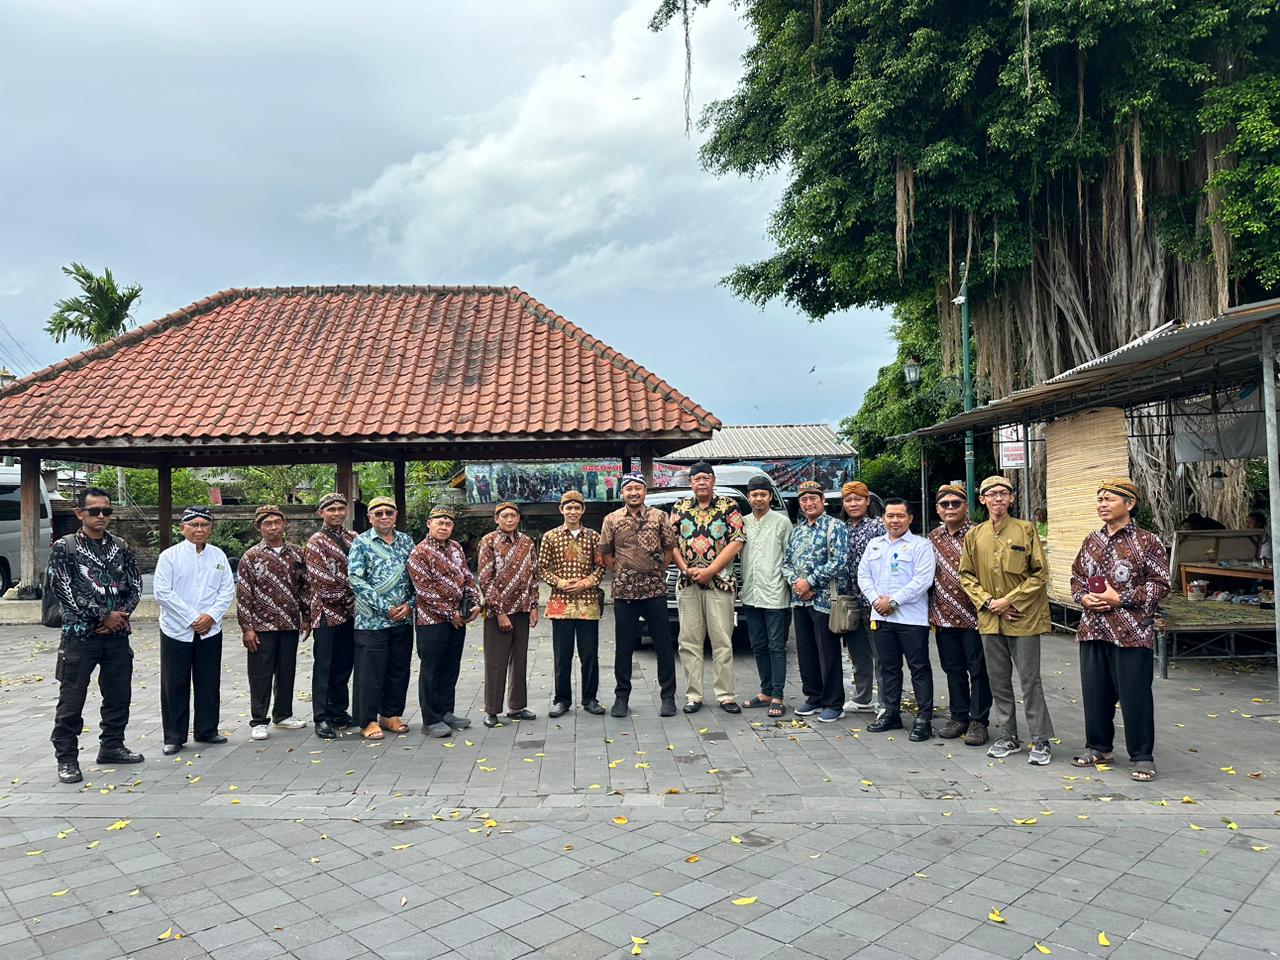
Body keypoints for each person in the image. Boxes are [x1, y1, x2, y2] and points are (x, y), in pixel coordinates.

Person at [1070, 479, 1170, 782]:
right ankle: (1099, 747)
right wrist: (1083, 597)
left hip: (1132, 632)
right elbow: (1076, 577)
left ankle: (1142, 756)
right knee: (1095, 693)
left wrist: (1121, 598)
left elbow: (1161, 584)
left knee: (1135, 695)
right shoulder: (1091, 540)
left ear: (1129, 504)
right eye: (1099, 499)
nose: (1102, 504)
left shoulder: (1147, 541)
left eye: (1109, 499)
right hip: (1094, 628)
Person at [48, 487, 144, 784]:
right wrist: (103, 615)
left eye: (106, 511)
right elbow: (63, 591)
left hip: (116, 636)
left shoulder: (120, 546)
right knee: (71, 699)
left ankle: (112, 745)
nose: (101, 516)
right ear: (80, 513)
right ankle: (67, 759)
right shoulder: (65, 548)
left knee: (118, 694)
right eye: (94, 511)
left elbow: (136, 585)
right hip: (80, 637)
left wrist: (120, 616)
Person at [959, 476, 1055, 764]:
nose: (998, 498)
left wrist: (1010, 601)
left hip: (1023, 618)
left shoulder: (1026, 530)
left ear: (1011, 498)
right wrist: (989, 602)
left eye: (1003, 493)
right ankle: (1008, 736)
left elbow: (1040, 574)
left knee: (1030, 680)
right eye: (991, 494)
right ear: (983, 500)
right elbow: (966, 575)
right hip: (990, 619)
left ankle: (1040, 740)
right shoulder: (974, 536)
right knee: (998, 680)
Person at [154, 506, 236, 756]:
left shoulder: (218, 556)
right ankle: (174, 736)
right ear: (183, 528)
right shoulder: (169, 556)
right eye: (194, 524)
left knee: (209, 680)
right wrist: (192, 618)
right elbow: (162, 592)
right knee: (174, 683)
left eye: (204, 525)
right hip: (176, 629)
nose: (200, 529)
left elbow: (227, 589)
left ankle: (207, 729)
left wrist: (210, 616)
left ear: (210, 529)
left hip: (210, 629)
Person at [598, 472, 679, 718]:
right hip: (625, 592)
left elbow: (669, 548)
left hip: (654, 590)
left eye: (638, 488)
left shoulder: (659, 517)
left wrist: (656, 571)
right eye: (628, 488)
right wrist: (624, 572)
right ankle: (621, 697)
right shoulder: (611, 519)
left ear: (645, 491)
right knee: (624, 647)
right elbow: (606, 553)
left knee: (664, 645)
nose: (634, 492)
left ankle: (668, 697)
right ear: (622, 493)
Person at [857, 499, 937, 740]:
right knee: (888, 667)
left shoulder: (921, 546)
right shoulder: (874, 545)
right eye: (890, 516)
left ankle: (924, 718)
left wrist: (892, 601)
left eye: (900, 516)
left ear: (910, 518)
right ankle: (891, 713)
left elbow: (923, 580)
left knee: (919, 668)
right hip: (880, 618)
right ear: (883, 518)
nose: (895, 520)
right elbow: (863, 575)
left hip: (911, 619)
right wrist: (875, 600)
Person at [671, 461, 746, 714]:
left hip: (720, 583)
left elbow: (737, 541)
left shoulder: (729, 506)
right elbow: (670, 543)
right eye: (696, 478)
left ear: (713, 480)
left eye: (706, 478)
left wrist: (710, 570)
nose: (701, 482)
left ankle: (725, 695)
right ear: (690, 482)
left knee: (722, 640)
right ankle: (694, 695)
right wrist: (685, 568)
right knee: (689, 641)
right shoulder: (680, 507)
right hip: (687, 582)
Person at [236, 505, 311, 741]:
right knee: (260, 672)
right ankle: (259, 719)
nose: (273, 527)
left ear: (284, 524)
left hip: (289, 623)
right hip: (262, 625)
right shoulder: (251, 556)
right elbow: (244, 594)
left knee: (286, 670)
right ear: (259, 527)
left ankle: (283, 714)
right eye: (267, 523)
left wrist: (306, 616)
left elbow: (305, 587)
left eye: (277, 522)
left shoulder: (297, 554)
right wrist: (247, 627)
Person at [409, 504, 482, 738]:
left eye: (448, 523)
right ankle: (430, 720)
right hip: (432, 620)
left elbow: (467, 577)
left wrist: (474, 602)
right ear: (429, 524)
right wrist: (451, 613)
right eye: (439, 522)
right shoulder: (420, 552)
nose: (444, 526)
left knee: (451, 666)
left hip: (457, 618)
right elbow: (424, 590)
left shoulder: (456, 548)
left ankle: (446, 711)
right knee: (432, 668)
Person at [347, 496, 415, 740]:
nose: (384, 517)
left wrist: (410, 604)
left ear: (396, 515)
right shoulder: (362, 543)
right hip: (371, 621)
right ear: (370, 518)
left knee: (398, 669)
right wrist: (385, 607)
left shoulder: (406, 541)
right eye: (379, 513)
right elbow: (356, 579)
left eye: (389, 512)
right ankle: (366, 720)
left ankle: (390, 714)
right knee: (369, 672)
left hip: (403, 619)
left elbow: (417, 576)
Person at [928, 484, 990, 746]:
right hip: (943, 616)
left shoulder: (979, 534)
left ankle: (978, 721)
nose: (950, 508)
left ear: (967, 506)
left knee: (978, 670)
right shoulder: (932, 538)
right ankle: (958, 717)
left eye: (956, 503)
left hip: (975, 616)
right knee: (952, 669)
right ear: (938, 510)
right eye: (945, 504)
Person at [783, 480, 850, 723]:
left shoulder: (835, 527)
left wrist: (809, 581)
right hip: (800, 600)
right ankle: (813, 696)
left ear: (822, 501)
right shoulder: (798, 530)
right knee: (806, 650)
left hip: (825, 600)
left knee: (828, 652)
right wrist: (797, 584)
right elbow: (786, 563)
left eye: (813, 499)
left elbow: (839, 561)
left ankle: (834, 703)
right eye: (804, 499)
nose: (809, 503)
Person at [539, 490, 607, 717]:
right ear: (561, 510)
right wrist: (560, 582)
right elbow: (541, 568)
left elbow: (601, 567)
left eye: (577, 507)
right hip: (561, 602)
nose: (572, 511)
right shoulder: (550, 536)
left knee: (589, 654)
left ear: (583, 510)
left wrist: (586, 582)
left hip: (587, 602)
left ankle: (590, 698)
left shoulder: (594, 537)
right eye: (568, 507)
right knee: (562, 654)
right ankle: (562, 699)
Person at [477, 501, 540, 727]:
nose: (510, 519)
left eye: (513, 515)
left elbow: (534, 574)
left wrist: (534, 606)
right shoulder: (488, 542)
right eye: (505, 516)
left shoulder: (527, 542)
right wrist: (499, 611)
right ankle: (492, 710)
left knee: (520, 659)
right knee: (495, 661)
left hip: (522, 609)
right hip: (498, 611)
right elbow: (485, 579)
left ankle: (516, 706)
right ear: (497, 519)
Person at [304, 492, 357, 740]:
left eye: (340, 508)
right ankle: (322, 717)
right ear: (321, 513)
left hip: (352, 614)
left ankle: (339, 711)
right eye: (331, 509)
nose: (336, 513)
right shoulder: (315, 542)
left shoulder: (354, 538)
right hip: (327, 613)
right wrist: (350, 601)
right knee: (325, 665)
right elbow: (322, 581)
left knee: (345, 664)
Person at [739, 475, 792, 718]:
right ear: (748, 498)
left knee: (776, 646)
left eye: (763, 494)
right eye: (754, 495)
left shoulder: (782, 523)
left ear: (770, 496)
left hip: (776, 594)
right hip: (750, 594)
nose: (758, 498)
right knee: (758, 645)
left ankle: (778, 695)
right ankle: (765, 691)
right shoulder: (742, 523)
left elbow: (790, 558)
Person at [840, 480, 884, 713]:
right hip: (850, 602)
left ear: (868, 501)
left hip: (876, 602)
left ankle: (885, 702)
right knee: (858, 654)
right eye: (848, 500)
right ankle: (861, 697)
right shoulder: (841, 528)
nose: (853, 504)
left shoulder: (878, 526)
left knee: (881, 654)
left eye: (858, 499)